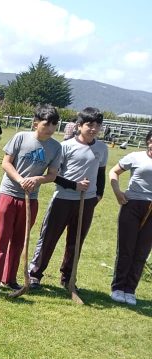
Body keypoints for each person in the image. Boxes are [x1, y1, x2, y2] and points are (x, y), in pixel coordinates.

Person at [0, 104, 62, 292]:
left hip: (30, 200)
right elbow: (6, 163)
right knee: (1, 238)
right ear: (36, 123)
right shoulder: (21, 137)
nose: (51, 128)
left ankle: (9, 278)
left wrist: (37, 179)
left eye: (54, 124)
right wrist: (20, 180)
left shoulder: (55, 147)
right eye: (47, 124)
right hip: (8, 194)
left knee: (20, 240)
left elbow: (52, 174)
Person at [29, 107, 108, 291]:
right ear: (79, 126)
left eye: (97, 125)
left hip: (87, 201)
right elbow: (54, 175)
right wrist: (74, 185)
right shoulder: (65, 147)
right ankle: (35, 274)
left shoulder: (102, 148)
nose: (93, 129)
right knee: (48, 237)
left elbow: (101, 173)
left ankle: (68, 277)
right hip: (63, 199)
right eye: (89, 125)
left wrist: (98, 194)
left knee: (76, 239)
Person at [107, 129, 152, 306]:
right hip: (132, 205)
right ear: (148, 141)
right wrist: (118, 193)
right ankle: (118, 288)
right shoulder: (135, 156)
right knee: (126, 248)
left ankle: (130, 290)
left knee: (142, 251)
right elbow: (114, 172)